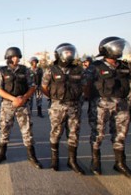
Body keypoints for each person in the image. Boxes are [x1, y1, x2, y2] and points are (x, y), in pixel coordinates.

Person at [90, 37, 131, 180]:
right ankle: (95, 161)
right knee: (98, 134)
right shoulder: (96, 66)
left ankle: (120, 163)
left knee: (120, 135)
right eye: (117, 47)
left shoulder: (125, 66)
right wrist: (92, 104)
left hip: (122, 105)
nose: (120, 50)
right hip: (101, 105)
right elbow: (86, 86)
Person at [0, 47, 42, 169]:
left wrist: (23, 98)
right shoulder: (2, 71)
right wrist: (13, 99)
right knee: (4, 129)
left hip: (22, 104)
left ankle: (32, 156)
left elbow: (32, 87)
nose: (17, 59)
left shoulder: (25, 70)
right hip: (8, 105)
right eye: (14, 57)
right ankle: (1, 154)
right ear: (8, 58)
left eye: (18, 57)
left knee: (27, 131)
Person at [41, 43, 85, 175]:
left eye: (71, 52)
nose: (69, 54)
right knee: (56, 133)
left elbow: (84, 86)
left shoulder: (78, 70)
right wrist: (54, 99)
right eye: (67, 52)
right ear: (60, 54)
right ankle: (55, 160)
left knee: (73, 134)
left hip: (74, 106)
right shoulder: (51, 70)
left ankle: (72, 161)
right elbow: (44, 87)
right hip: (57, 106)